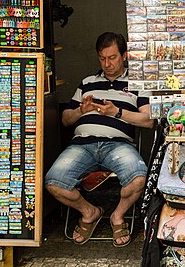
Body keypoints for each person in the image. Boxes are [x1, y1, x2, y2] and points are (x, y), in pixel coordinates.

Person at [45, 32, 154, 246]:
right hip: (82, 145)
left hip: (118, 145)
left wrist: (117, 113)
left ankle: (117, 216)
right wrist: (80, 111)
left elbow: (148, 121)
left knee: (139, 179)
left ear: (124, 56)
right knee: (53, 182)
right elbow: (66, 120)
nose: (107, 64)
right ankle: (90, 212)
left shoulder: (136, 83)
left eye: (112, 57)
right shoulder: (87, 82)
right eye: (102, 58)